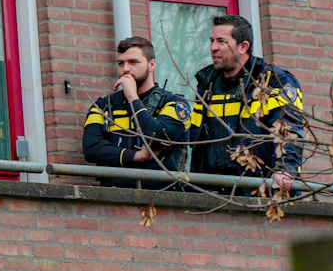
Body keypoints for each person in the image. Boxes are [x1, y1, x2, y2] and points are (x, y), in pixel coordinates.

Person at [188, 13, 304, 192]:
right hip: (213, 193)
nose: (213, 47)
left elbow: (288, 130)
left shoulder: (273, 81)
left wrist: (285, 170)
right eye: (211, 41)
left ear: (243, 47)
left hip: (261, 193)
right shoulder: (206, 83)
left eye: (221, 41)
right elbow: (197, 138)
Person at [83, 36, 191, 190]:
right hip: (114, 197)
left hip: (164, 198)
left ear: (151, 64)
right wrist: (136, 156)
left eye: (133, 62)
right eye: (121, 63)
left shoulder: (174, 103)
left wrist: (132, 97)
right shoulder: (103, 105)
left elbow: (159, 136)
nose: (125, 69)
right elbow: (91, 149)